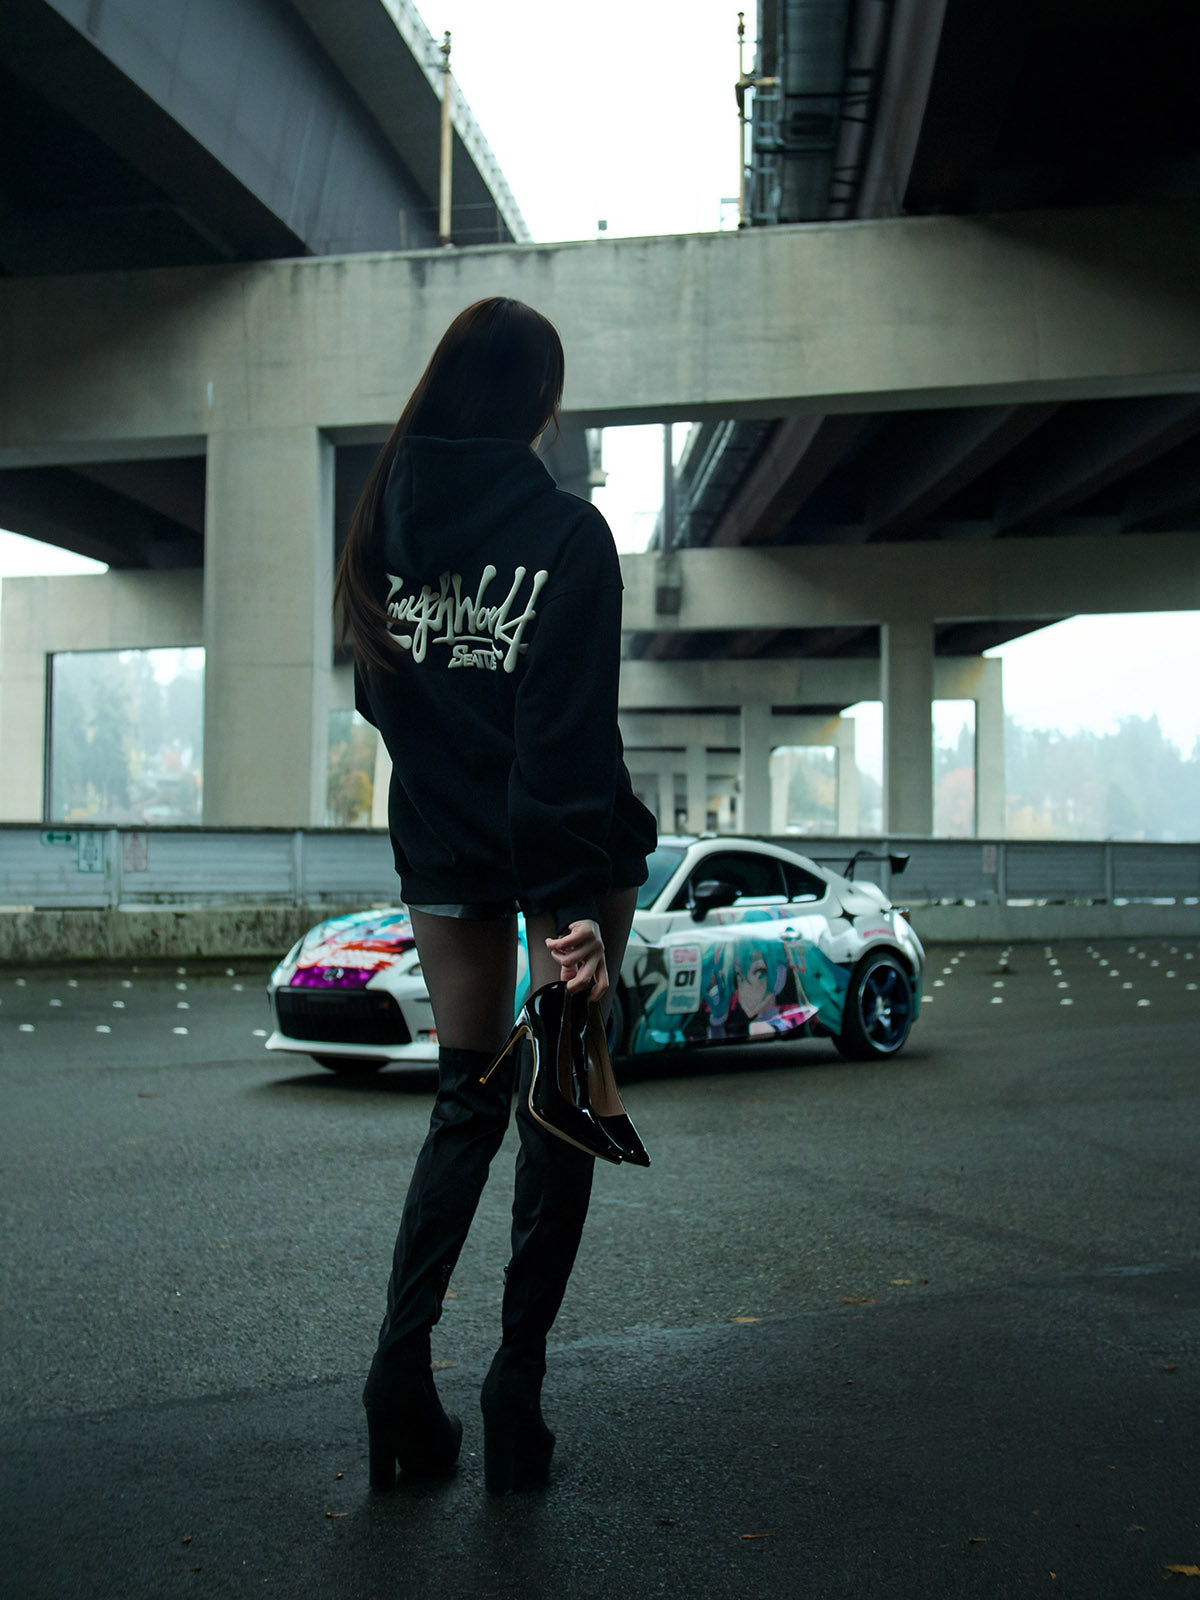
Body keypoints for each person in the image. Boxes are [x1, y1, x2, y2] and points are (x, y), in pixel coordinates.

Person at [333, 296, 657, 1495]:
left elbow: (381, 699)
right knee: (562, 1103)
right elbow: (564, 734)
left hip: (449, 851)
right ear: (533, 403)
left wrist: (460, 789)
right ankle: (515, 1389)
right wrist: (572, 909)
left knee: (464, 1100)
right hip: (562, 858)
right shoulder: (570, 537)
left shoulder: (379, 524)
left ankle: (397, 1372)